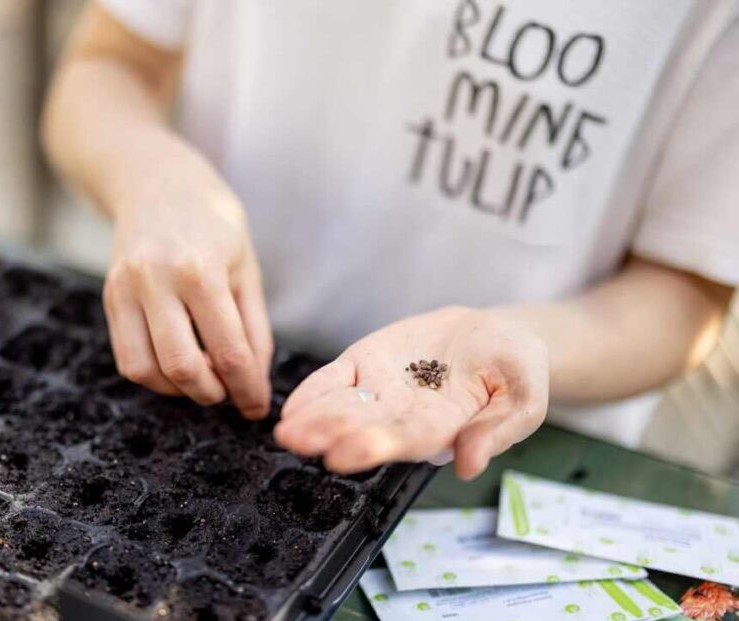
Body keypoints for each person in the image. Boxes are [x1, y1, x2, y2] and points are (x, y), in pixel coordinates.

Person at [44, 1, 738, 480]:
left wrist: (522, 342)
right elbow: (106, 66)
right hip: (216, 366)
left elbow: (682, 297)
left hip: (526, 454)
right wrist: (151, 177)